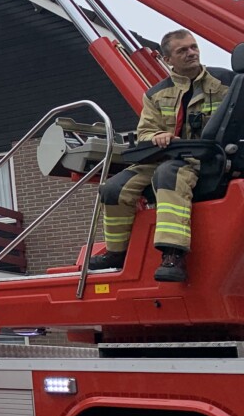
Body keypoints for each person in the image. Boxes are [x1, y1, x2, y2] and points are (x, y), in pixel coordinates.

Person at [88, 30, 233, 281]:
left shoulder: (225, 82)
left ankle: (173, 255)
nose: (191, 53)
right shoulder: (155, 94)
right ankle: (117, 253)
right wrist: (156, 136)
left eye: (193, 47)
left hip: (206, 159)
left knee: (168, 175)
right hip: (165, 156)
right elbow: (145, 131)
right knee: (113, 188)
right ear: (167, 59)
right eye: (182, 50)